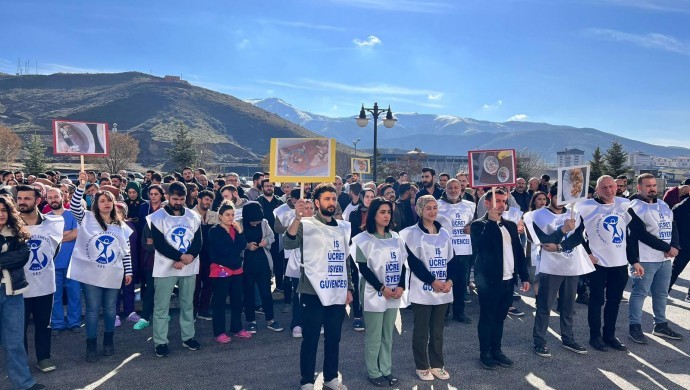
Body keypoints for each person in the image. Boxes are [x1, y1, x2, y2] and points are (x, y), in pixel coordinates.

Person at [573, 175, 659, 352]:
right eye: (604, 187)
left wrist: (634, 261)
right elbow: (575, 235)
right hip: (597, 264)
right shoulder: (585, 206)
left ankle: (609, 335)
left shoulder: (623, 204)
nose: (609, 190)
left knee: (614, 301)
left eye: (611, 186)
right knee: (596, 301)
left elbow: (632, 233)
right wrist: (587, 254)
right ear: (597, 189)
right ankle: (595, 337)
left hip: (619, 264)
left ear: (616, 187)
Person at [284, 183, 354, 390]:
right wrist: (297, 217)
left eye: (333, 199)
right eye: (326, 199)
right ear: (316, 203)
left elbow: (345, 260)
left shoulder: (343, 227)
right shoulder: (306, 224)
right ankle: (306, 380)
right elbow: (288, 244)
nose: (331, 202)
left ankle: (331, 377)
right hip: (311, 291)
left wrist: (349, 287)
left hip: (337, 290)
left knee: (334, 337)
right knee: (311, 338)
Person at [68, 172, 133, 362]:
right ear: (96, 203)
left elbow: (125, 251)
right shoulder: (86, 218)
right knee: (92, 309)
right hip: (91, 274)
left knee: (111, 308)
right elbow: (73, 207)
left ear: (113, 204)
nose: (106, 203)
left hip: (113, 272)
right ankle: (91, 344)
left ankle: (108, 342)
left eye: (109, 201)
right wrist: (81, 186)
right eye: (102, 200)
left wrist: (128, 270)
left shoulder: (120, 225)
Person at [526, 184, 594, 357]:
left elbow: (578, 237)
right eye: (558, 197)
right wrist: (563, 230)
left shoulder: (575, 213)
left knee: (568, 306)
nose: (562, 202)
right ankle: (539, 340)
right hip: (550, 268)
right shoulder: (537, 215)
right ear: (550, 195)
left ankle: (568, 338)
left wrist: (562, 245)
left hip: (571, 266)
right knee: (544, 306)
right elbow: (544, 241)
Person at [471, 189, 530, 370]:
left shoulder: (511, 225)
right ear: (487, 204)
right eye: (498, 201)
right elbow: (481, 247)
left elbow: (519, 253)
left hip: (508, 280)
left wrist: (525, 276)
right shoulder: (478, 225)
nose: (502, 205)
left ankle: (497, 350)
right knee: (487, 318)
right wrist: (491, 222)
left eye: (504, 201)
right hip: (488, 282)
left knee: (500, 318)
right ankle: (485, 353)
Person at [351, 197, 407, 387]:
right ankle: (373, 371)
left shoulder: (397, 237)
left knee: (387, 334)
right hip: (374, 293)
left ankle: (386, 369)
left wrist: (401, 286)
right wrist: (381, 288)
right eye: (382, 212)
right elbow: (363, 268)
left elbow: (403, 264)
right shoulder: (363, 239)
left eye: (389, 212)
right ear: (373, 214)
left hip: (394, 293)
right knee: (374, 336)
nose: (386, 216)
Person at [399, 195, 453, 381]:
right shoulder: (410, 233)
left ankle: (437, 364)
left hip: (444, 290)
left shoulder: (444, 233)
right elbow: (414, 263)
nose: (432, 211)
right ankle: (422, 366)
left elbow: (451, 261)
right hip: (423, 289)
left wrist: (450, 281)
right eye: (428, 208)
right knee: (421, 331)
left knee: (437, 330)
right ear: (421, 210)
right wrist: (432, 281)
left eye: (435, 207)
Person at [147, 182, 202, 358]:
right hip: (165, 268)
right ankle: (160, 342)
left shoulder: (194, 216)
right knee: (161, 307)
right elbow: (160, 244)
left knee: (188, 304)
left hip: (189, 266)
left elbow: (198, 241)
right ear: (168, 197)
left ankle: (188, 337)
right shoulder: (157, 217)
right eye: (175, 198)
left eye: (181, 199)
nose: (178, 202)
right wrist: (180, 257)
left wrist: (189, 257)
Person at [627, 174, 683, 343]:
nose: (652, 188)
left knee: (661, 294)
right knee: (640, 293)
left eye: (653, 185)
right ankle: (634, 327)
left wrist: (675, 246)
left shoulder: (664, 205)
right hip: (645, 259)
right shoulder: (634, 207)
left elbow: (673, 226)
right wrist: (668, 248)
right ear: (639, 188)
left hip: (665, 259)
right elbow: (641, 234)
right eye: (647, 186)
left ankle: (660, 325)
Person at [1, 187, 47, 390]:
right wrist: (6, 260)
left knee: (15, 341)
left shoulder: (16, 232)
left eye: (4, 210)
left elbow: (22, 256)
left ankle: (23, 384)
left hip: (13, 293)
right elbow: (14, 258)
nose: (1, 214)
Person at [17, 185, 65, 373]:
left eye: (27, 199)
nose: (22, 202)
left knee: (44, 325)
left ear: (38, 201)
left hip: (44, 285)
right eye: (19, 198)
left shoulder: (52, 223)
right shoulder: (10, 226)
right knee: (19, 328)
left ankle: (43, 358)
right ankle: (20, 363)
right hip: (19, 286)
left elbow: (54, 250)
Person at [208, 201, 252, 343]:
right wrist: (235, 253)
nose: (230, 217)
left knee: (237, 301)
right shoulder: (214, 231)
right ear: (220, 216)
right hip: (221, 269)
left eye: (232, 215)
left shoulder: (236, 229)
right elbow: (222, 250)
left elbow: (242, 245)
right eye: (227, 215)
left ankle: (236, 328)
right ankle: (219, 332)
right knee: (220, 302)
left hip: (237, 269)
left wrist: (240, 232)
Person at [436, 179, 475, 323]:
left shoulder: (470, 205)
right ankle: (443, 314)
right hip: (445, 251)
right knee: (445, 282)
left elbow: (475, 223)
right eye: (450, 188)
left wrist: (472, 228)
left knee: (460, 283)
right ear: (445, 189)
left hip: (464, 250)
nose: (453, 190)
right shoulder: (438, 205)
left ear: (461, 189)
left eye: (456, 187)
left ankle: (459, 313)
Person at [240, 201, 283, 333]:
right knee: (248, 293)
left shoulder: (264, 223)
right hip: (246, 263)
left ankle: (270, 319)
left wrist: (266, 241)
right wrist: (247, 246)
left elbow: (271, 237)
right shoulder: (238, 223)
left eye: (257, 221)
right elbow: (235, 242)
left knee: (266, 293)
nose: (256, 224)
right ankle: (251, 321)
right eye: (253, 222)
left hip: (263, 261)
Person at [48, 187, 82, 336]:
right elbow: (47, 238)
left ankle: (74, 322)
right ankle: (57, 323)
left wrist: (58, 236)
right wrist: (68, 234)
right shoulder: (45, 218)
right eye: (50, 197)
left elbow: (77, 233)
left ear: (62, 197)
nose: (53, 200)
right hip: (53, 263)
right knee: (55, 296)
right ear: (46, 199)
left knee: (74, 294)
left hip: (72, 263)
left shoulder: (72, 215)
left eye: (56, 196)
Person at [347, 188, 376, 331]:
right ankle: (357, 316)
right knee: (358, 283)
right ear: (362, 198)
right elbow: (354, 232)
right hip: (358, 251)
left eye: (372, 196)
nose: (369, 199)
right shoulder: (354, 213)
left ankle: (373, 313)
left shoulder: (379, 212)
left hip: (375, 252)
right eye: (367, 196)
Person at [192, 190, 219, 321]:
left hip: (210, 256)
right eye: (206, 199)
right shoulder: (189, 214)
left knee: (209, 284)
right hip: (194, 256)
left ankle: (203, 310)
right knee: (194, 286)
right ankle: (192, 311)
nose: (208, 202)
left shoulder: (214, 215)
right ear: (199, 199)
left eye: (210, 200)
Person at [669, 186, 690, 301]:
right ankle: (664, 291)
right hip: (684, 246)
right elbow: (673, 227)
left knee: (675, 270)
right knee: (675, 270)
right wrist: (675, 244)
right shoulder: (680, 207)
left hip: (684, 244)